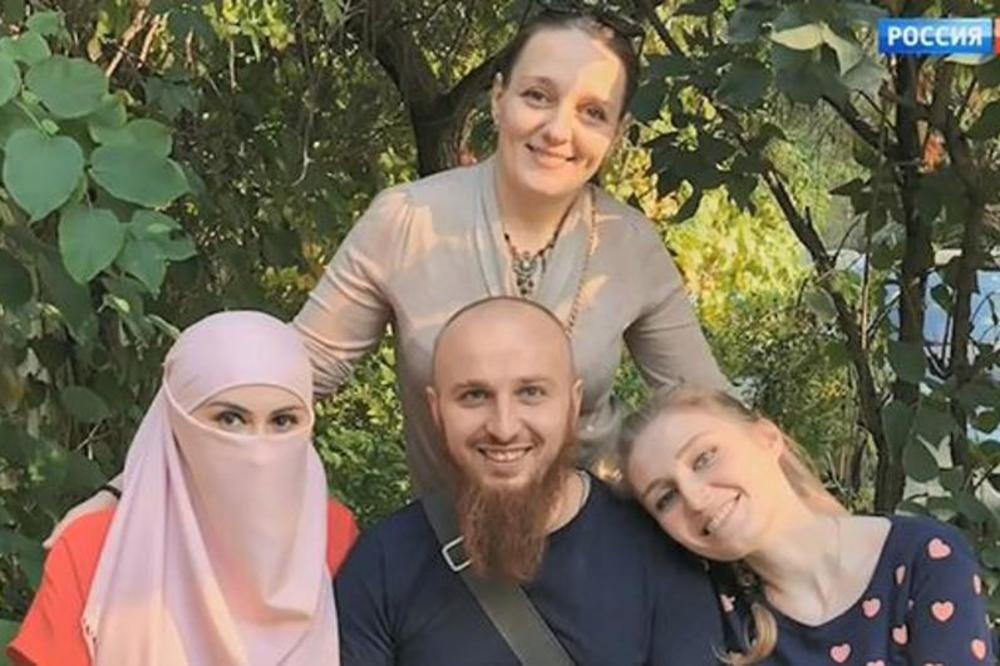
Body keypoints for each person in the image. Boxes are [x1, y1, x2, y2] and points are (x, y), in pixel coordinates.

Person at [47, 5, 727, 541]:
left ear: (616, 134)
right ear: (498, 99)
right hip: (457, 552)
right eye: (537, 96)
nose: (557, 130)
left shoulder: (629, 245)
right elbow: (285, 371)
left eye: (591, 113)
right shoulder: (407, 220)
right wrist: (127, 489)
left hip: (604, 544)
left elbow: (708, 408)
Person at [335, 297, 724, 665]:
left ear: (572, 404)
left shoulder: (656, 550)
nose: (504, 428)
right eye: (474, 396)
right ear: (437, 411)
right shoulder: (383, 564)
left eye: (531, 393)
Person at [7, 312, 359, 666]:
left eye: (283, 421)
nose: (258, 449)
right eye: (230, 419)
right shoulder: (94, 548)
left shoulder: (331, 533)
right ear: (177, 420)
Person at [619, 386, 995, 665]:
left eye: (704, 458)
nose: (695, 499)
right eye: (666, 498)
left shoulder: (923, 559)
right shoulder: (714, 611)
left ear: (767, 439)